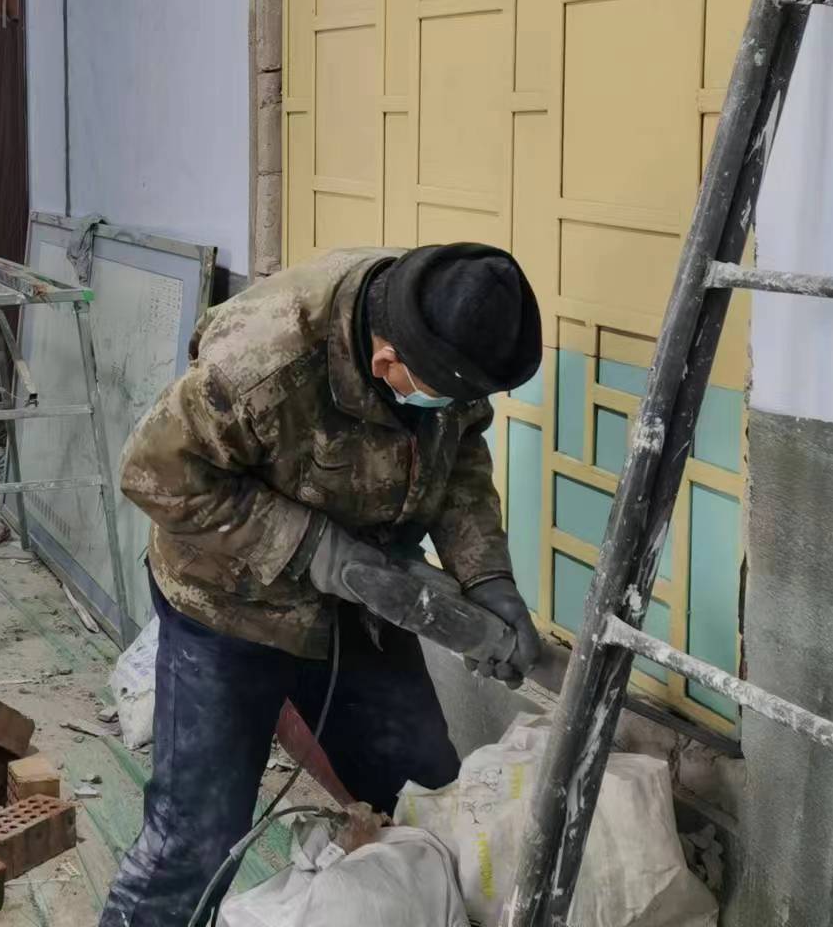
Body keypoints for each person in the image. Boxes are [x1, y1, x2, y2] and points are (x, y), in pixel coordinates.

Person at [98, 243, 546, 927]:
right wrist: (311, 546)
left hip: (358, 607)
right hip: (228, 609)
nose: (458, 407)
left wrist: (485, 574)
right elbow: (153, 474)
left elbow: (459, 460)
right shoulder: (263, 361)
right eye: (447, 395)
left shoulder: (442, 330)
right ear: (386, 362)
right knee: (196, 838)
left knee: (424, 794)